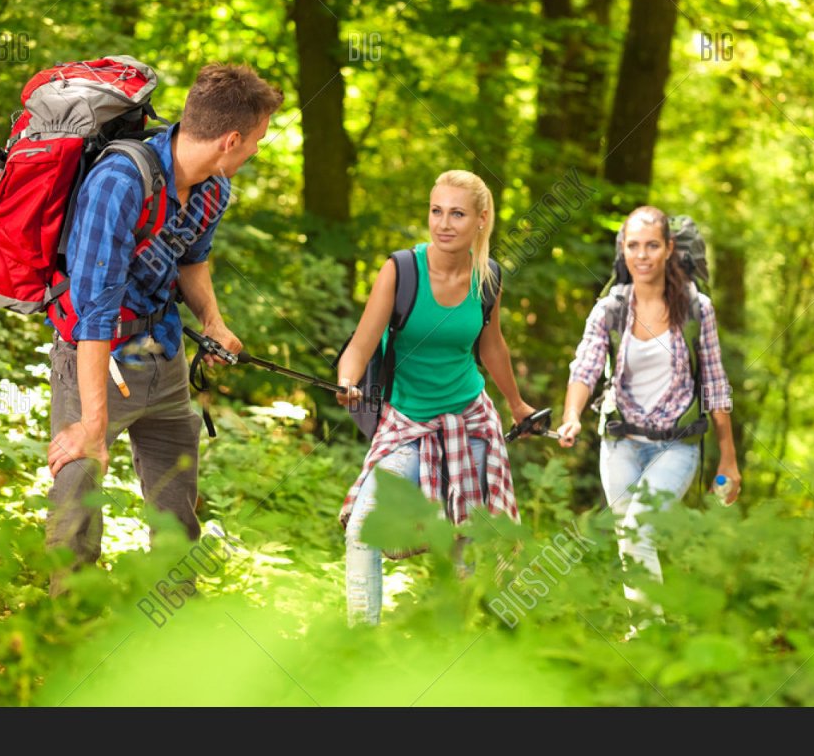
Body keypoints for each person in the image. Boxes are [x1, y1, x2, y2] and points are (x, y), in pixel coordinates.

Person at [45, 63, 284, 594]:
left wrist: (214, 324)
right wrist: (93, 425)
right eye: (258, 142)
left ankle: (172, 641)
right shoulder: (119, 182)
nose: (257, 151)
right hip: (97, 358)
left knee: (177, 510)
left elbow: (191, 261)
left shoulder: (212, 190)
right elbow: (94, 312)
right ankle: (66, 633)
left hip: (164, 353)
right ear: (231, 139)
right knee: (77, 510)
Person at [335, 169, 537, 625]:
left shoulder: (489, 278)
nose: (444, 223)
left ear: (481, 220)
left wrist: (517, 403)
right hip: (408, 424)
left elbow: (491, 347)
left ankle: (460, 644)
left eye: (458, 214)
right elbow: (362, 345)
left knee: (467, 541)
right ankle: (358, 643)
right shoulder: (401, 271)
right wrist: (349, 380)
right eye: (436, 211)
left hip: (470, 420)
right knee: (364, 529)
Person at [556, 205, 740, 622]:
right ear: (623, 250)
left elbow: (714, 384)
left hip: (675, 447)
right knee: (631, 539)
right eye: (633, 246)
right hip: (619, 442)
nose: (642, 255)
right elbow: (584, 366)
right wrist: (572, 415)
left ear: (669, 249)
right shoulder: (610, 308)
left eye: (652, 245)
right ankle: (650, 629)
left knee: (637, 530)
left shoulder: (697, 308)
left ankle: (650, 634)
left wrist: (727, 457)